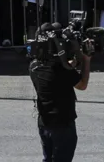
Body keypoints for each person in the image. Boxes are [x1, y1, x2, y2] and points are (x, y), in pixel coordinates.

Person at [28, 22, 92, 162]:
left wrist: (72, 61)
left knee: (48, 159)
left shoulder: (34, 66)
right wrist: (86, 59)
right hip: (62, 124)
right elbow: (82, 85)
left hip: (44, 122)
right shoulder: (61, 70)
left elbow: (61, 68)